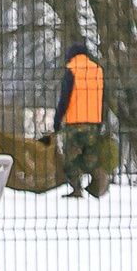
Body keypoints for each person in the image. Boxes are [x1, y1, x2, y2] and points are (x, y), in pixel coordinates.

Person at [49, 42, 112, 197]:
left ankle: (76, 188)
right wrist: (101, 120)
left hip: (75, 122)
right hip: (94, 121)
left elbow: (64, 98)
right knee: (90, 156)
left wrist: (57, 120)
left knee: (71, 157)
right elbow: (103, 98)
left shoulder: (72, 70)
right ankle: (99, 177)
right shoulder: (97, 70)